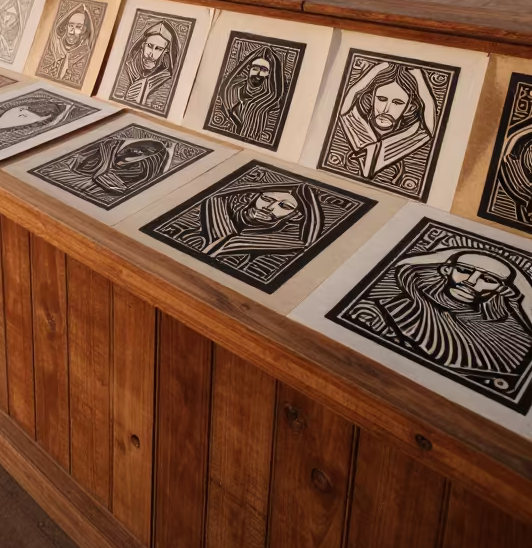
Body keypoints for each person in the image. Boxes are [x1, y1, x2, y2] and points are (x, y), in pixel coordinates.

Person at [355, 246, 532, 379]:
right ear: (447, 270)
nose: (471, 281)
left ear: (501, 290)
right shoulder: (389, 309)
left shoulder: (508, 339)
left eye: (489, 279)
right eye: (464, 270)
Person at [332, 59, 435, 189]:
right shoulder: (355, 124)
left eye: (397, 103)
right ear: (371, 99)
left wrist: (419, 77)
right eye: (381, 99)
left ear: (409, 108)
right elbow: (351, 96)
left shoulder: (412, 136)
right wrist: (377, 69)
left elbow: (430, 127)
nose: (386, 109)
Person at [177, 180, 324, 261]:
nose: (269, 207)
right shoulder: (217, 205)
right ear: (254, 197)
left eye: (284, 206)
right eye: (266, 198)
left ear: (296, 215)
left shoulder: (287, 238)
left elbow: (308, 242)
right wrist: (246, 218)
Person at [213, 45, 285, 144]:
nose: (259, 74)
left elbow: (277, 93)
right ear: (249, 69)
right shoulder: (231, 90)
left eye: (264, 70)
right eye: (255, 68)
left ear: (268, 74)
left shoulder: (269, 99)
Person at [116, 20, 178, 110]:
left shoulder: (166, 80)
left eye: (158, 49)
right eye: (149, 46)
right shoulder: (128, 68)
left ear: (165, 52)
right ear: (142, 45)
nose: (151, 54)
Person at [39, 3, 95, 84]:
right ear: (66, 26)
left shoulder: (85, 53)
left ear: (84, 30)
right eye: (71, 25)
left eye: (78, 27)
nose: (71, 32)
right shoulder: (55, 46)